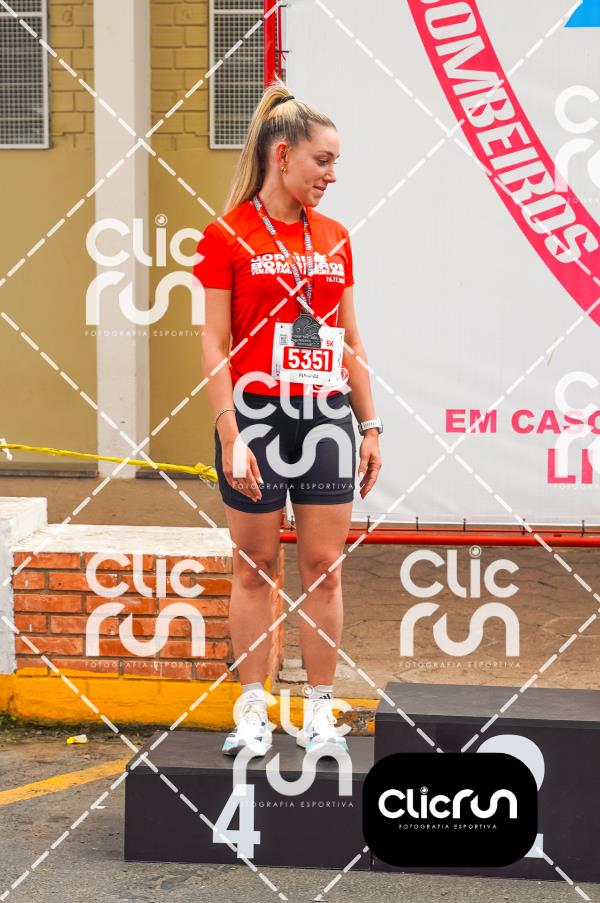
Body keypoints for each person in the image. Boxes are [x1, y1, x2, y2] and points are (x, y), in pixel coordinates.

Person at [194, 78, 382, 757]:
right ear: (282, 155)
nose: (332, 175)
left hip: (325, 417)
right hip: (255, 417)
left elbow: (351, 339)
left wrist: (370, 425)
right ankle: (253, 706)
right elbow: (214, 340)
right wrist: (230, 434)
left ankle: (321, 707)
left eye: (335, 163)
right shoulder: (225, 235)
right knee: (255, 564)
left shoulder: (335, 237)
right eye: (322, 161)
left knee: (325, 566)